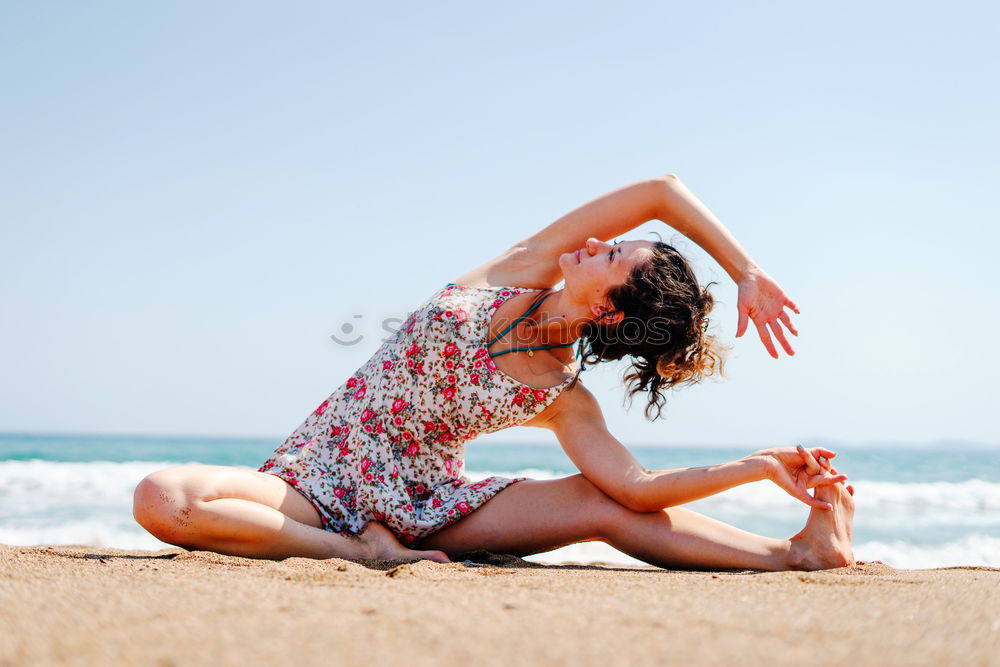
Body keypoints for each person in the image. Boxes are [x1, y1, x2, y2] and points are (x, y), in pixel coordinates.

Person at [133, 174, 856, 571]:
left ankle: (796, 552)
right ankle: (357, 552)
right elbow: (663, 189)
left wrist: (758, 465)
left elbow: (637, 489)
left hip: (428, 504)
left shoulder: (561, 395)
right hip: (313, 478)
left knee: (602, 506)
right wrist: (748, 271)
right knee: (165, 498)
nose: (596, 241)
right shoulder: (514, 271)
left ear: (607, 311)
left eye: (609, 256)